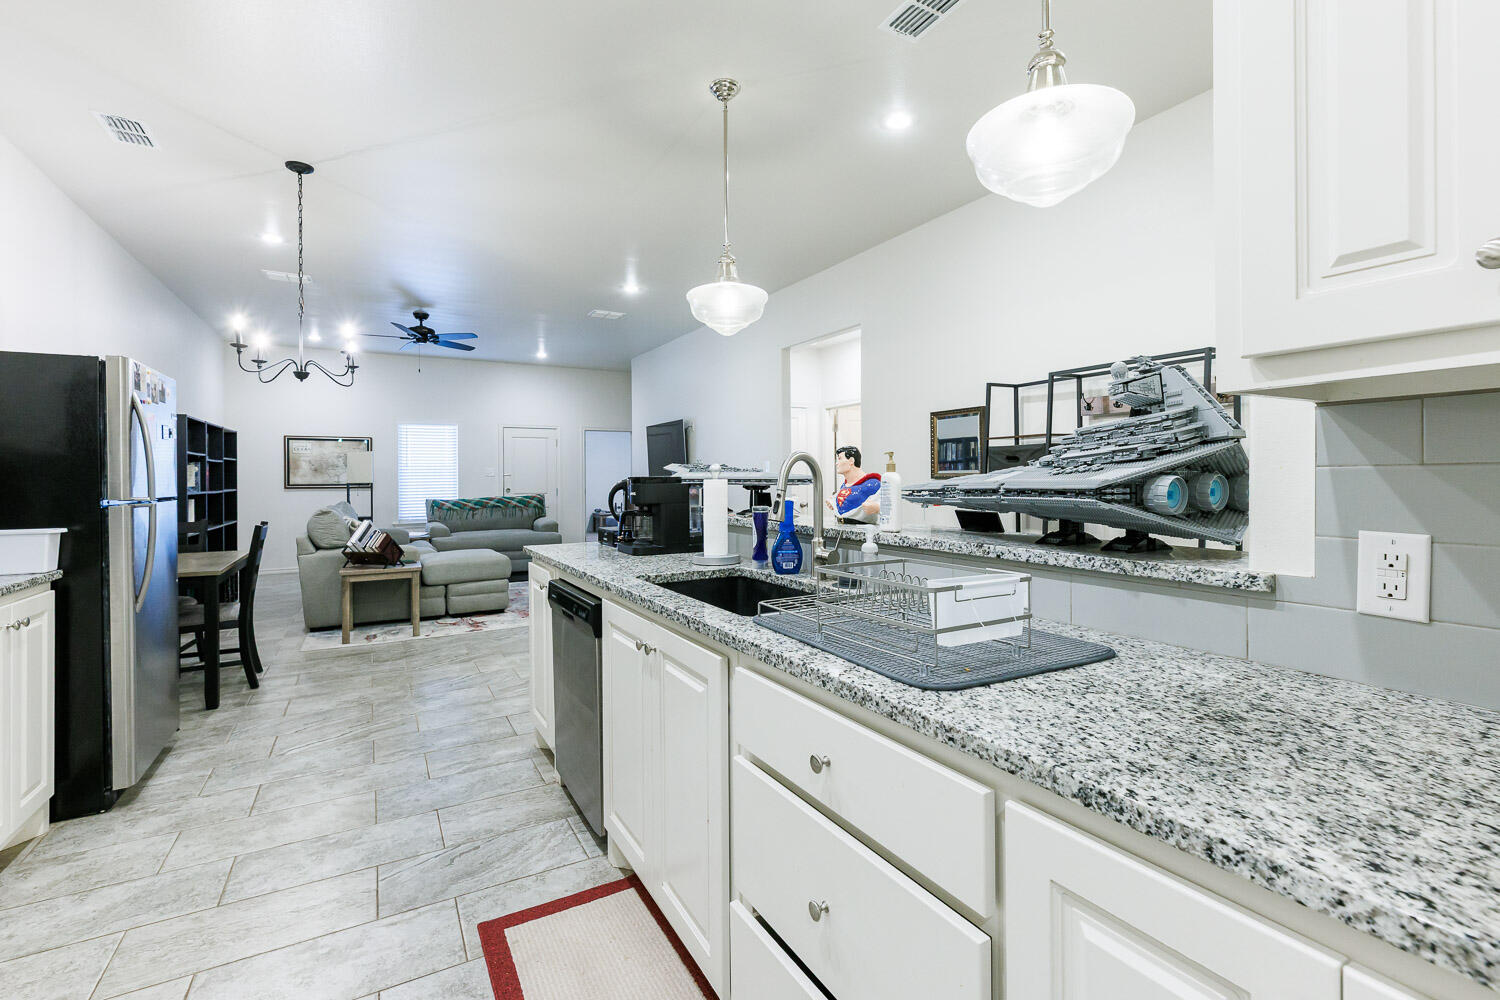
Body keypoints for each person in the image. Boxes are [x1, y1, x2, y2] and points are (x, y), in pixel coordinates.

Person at [826, 445, 881, 524]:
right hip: (842, 527)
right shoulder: (844, 486)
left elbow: (890, 507)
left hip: (863, 531)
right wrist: (834, 502)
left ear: (851, 461)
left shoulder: (872, 484)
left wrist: (877, 508)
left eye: (840, 458)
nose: (836, 463)